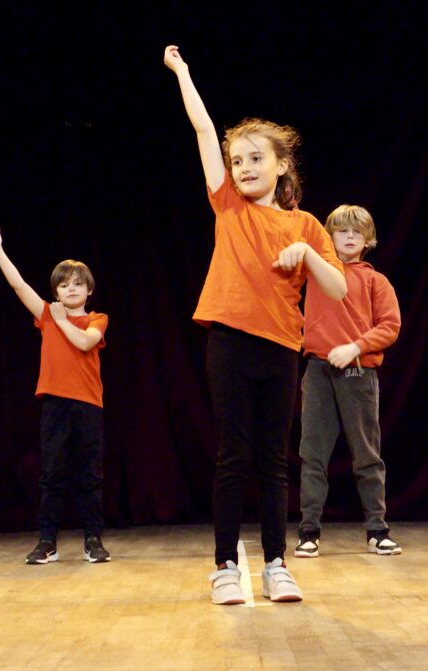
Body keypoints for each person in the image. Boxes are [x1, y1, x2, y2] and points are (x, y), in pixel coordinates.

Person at [163, 45, 347, 605]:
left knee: (273, 461)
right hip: (230, 345)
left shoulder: (307, 224)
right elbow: (200, 129)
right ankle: (224, 566)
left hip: (279, 349)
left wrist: (306, 254)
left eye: (254, 159)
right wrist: (184, 73)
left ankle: (275, 564)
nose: (242, 168)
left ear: (282, 165)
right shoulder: (229, 206)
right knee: (232, 455)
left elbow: (337, 289)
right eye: (236, 159)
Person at [0, 227, 111, 564]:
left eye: (78, 284)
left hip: (87, 405)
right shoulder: (46, 315)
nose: (71, 289)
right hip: (55, 406)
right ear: (55, 289)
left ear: (88, 290)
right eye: (64, 284)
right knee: (52, 474)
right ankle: (47, 541)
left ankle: (92, 540)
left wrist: (60, 320)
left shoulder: (96, 318)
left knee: (89, 475)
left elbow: (85, 342)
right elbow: (17, 284)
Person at [295, 205, 402, 559]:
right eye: (342, 231)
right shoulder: (314, 274)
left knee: (366, 454)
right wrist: (307, 334)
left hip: (358, 371)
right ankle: (308, 530)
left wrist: (356, 346)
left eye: (358, 231)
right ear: (330, 237)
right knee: (312, 455)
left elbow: (390, 325)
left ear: (368, 239)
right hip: (318, 371)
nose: (350, 236)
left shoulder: (375, 281)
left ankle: (377, 529)